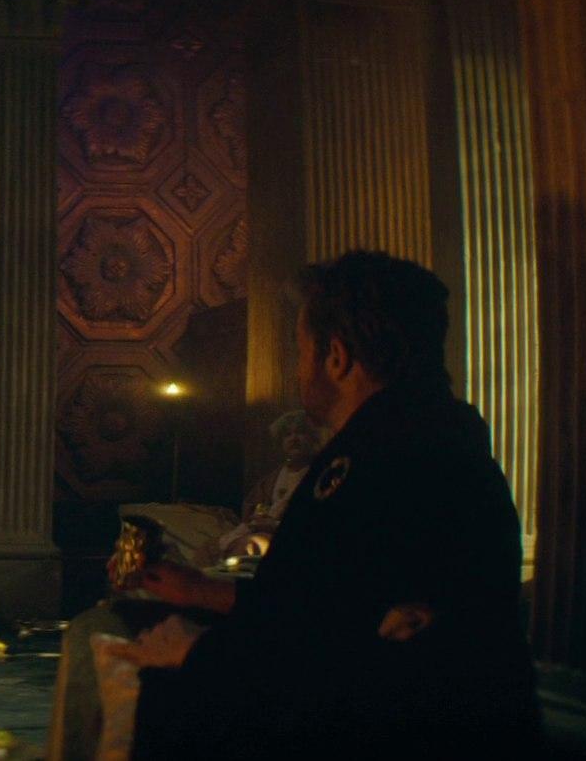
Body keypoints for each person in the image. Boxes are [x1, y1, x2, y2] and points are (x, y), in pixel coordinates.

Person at [113, 251, 539, 757]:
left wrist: (195, 652)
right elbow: (329, 599)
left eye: (300, 351)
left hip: (400, 735)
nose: (298, 371)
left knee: (125, 668)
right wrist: (202, 591)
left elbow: (329, 652)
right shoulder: (433, 438)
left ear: (336, 358)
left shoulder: (373, 464)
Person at [212, 410, 322, 559]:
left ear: (312, 438)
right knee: (210, 548)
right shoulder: (272, 479)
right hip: (258, 531)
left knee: (249, 545)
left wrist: (275, 525)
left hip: (292, 539)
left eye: (300, 433)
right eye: (288, 435)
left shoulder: (321, 475)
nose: (293, 438)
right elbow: (252, 510)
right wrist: (258, 519)